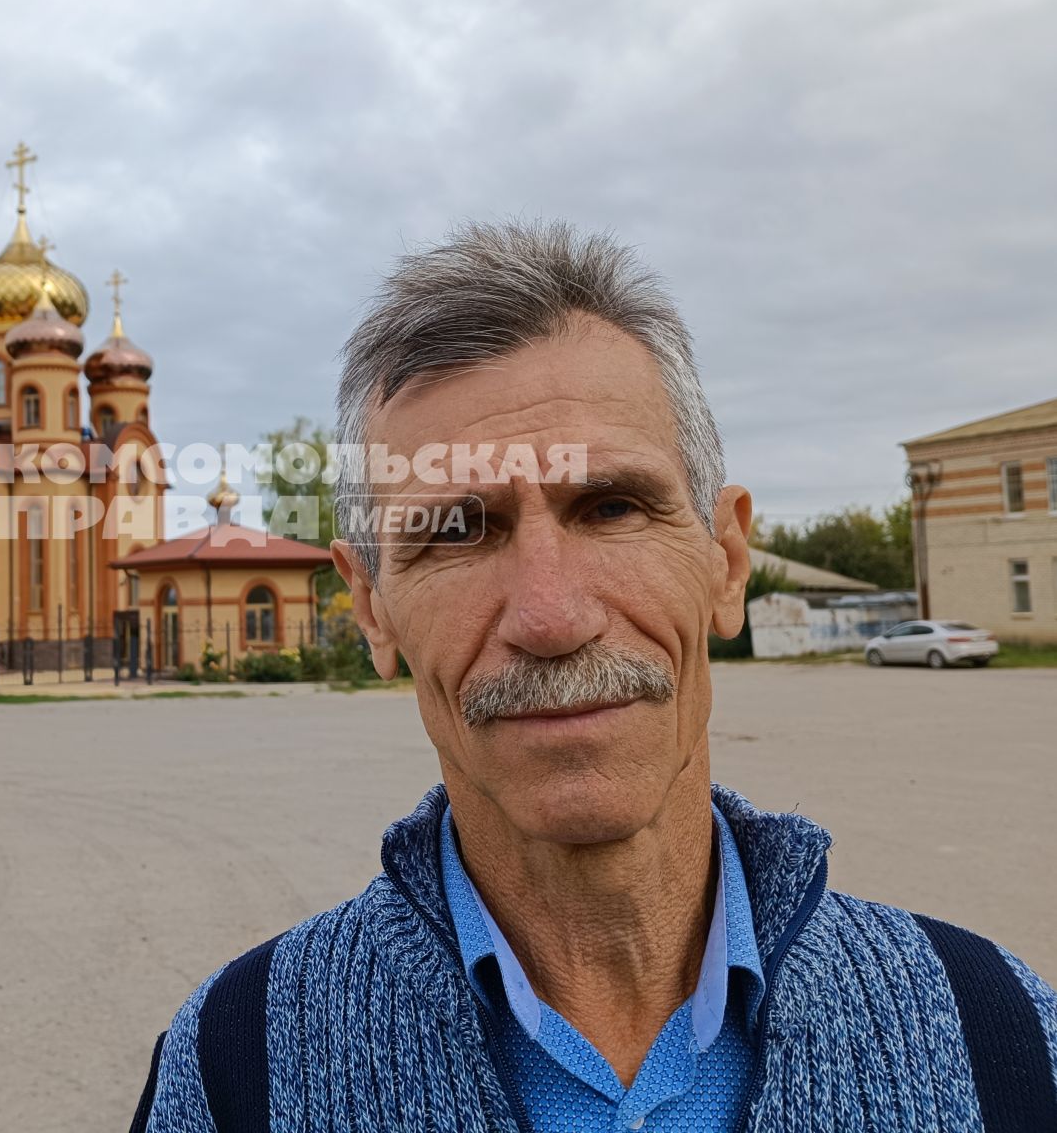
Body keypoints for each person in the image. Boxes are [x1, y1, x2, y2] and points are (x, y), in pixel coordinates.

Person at [130, 221, 1057, 1132]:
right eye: (458, 531)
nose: (551, 617)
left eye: (612, 508)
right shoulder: (233, 1071)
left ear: (726, 562)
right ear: (372, 608)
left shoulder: (1000, 1039)